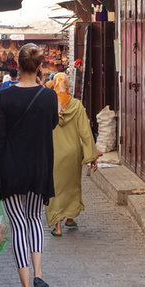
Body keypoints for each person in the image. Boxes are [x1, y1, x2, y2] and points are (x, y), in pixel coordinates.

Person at [0, 44, 59, 287]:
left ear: (17, 65)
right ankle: (39, 272)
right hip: (39, 167)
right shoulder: (49, 97)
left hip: (11, 169)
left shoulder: (5, 97)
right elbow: (53, 124)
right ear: (38, 67)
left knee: (19, 224)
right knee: (35, 218)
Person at [45, 73, 99, 236]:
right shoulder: (76, 105)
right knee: (71, 186)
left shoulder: (48, 106)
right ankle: (69, 217)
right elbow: (85, 132)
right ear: (67, 85)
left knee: (55, 189)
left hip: (53, 153)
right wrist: (91, 155)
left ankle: (58, 226)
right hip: (73, 153)